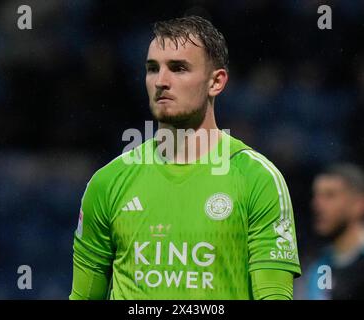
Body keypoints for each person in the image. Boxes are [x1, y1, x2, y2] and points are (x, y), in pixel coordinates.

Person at [69, 15, 301, 300]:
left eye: (178, 68)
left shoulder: (258, 179)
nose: (161, 81)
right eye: (152, 69)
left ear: (216, 82)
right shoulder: (107, 182)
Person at [302, 163, 364, 299]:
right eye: (316, 196)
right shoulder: (317, 267)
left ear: (358, 204)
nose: (317, 204)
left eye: (330, 195)